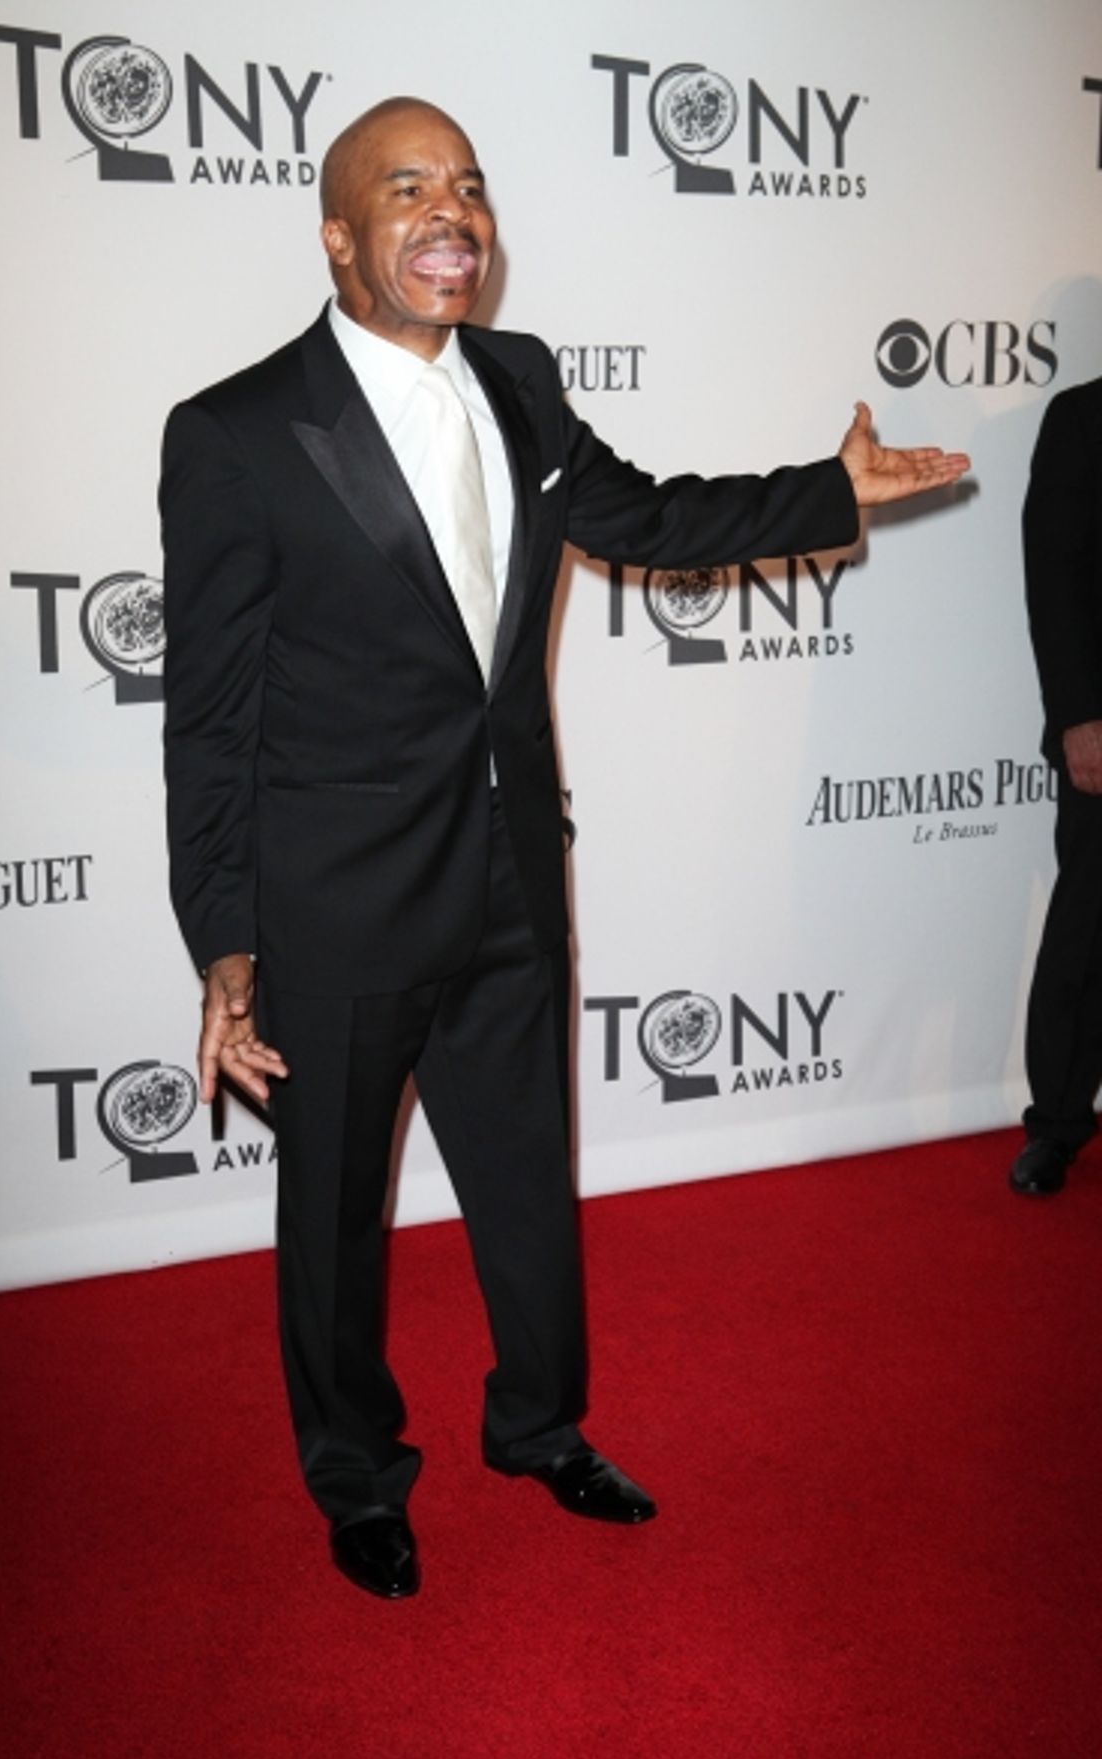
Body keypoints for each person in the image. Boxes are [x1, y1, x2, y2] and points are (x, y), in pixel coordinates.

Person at [160, 97, 969, 1599]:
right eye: (405, 189)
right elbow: (206, 719)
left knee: (530, 1184)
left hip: (513, 877)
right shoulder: (236, 433)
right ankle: (357, 1475)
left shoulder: (521, 383)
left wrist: (828, 493)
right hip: (331, 911)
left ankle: (538, 1426)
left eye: (465, 185)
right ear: (338, 234)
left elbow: (643, 518)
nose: (447, 211)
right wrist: (224, 940)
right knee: (332, 1225)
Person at [1009, 378, 1102, 1197]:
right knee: (1088, 924)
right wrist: (1079, 716)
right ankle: (1059, 1123)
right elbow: (1054, 576)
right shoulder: (1081, 417)